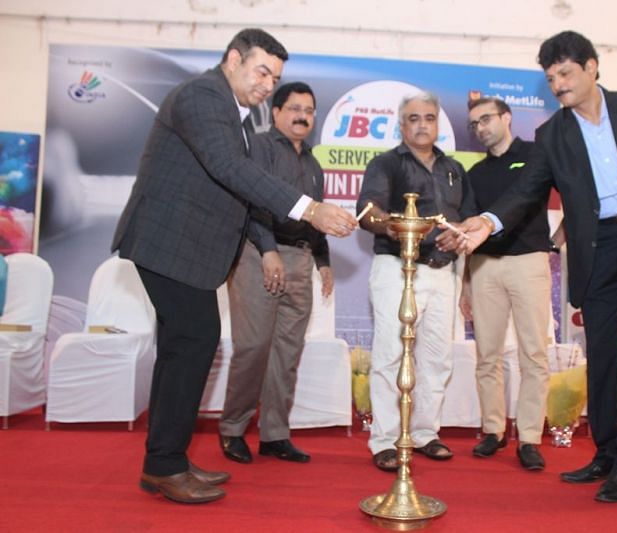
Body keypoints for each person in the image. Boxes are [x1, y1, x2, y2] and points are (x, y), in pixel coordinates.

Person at [439, 30, 617, 503]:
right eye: (550, 77)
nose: (558, 84)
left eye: (565, 73)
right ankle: (606, 449)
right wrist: (487, 221)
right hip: (599, 246)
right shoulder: (552, 135)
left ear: (591, 67)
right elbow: (526, 192)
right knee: (599, 354)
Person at [112, 29, 356, 504]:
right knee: (195, 341)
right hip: (168, 244)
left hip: (187, 253)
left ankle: (167, 461)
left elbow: (241, 186)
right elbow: (230, 169)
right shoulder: (204, 95)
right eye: (261, 71)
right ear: (232, 59)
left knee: (184, 348)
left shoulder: (236, 113)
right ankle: (165, 464)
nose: (268, 85)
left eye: (276, 77)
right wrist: (309, 209)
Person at [356, 91, 474, 472]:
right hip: (396, 269)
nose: (422, 124)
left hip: (445, 272)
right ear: (401, 124)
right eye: (413, 118)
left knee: (437, 359)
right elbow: (368, 211)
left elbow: (469, 220)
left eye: (429, 117)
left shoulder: (454, 167)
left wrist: (460, 235)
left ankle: (425, 432)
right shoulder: (386, 164)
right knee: (390, 355)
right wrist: (399, 228)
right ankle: (385, 440)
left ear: (438, 122)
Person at [219, 82, 330, 465]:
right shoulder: (260, 147)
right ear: (277, 112)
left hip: (300, 259)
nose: (302, 115)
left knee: (287, 352)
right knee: (253, 347)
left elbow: (315, 214)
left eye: (309, 110)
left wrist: (323, 261)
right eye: (294, 108)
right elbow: (251, 201)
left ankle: (275, 434)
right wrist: (267, 251)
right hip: (258, 255)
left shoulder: (314, 164)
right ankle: (233, 429)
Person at [461, 97, 552, 471]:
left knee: (534, 354)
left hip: (529, 262)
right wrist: (466, 281)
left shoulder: (536, 156)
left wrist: (561, 239)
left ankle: (529, 437)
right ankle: (493, 430)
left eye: (486, 119)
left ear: (507, 118)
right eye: (475, 123)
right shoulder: (475, 173)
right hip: (484, 266)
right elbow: (468, 227)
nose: (481, 127)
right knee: (487, 355)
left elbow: (576, 196)